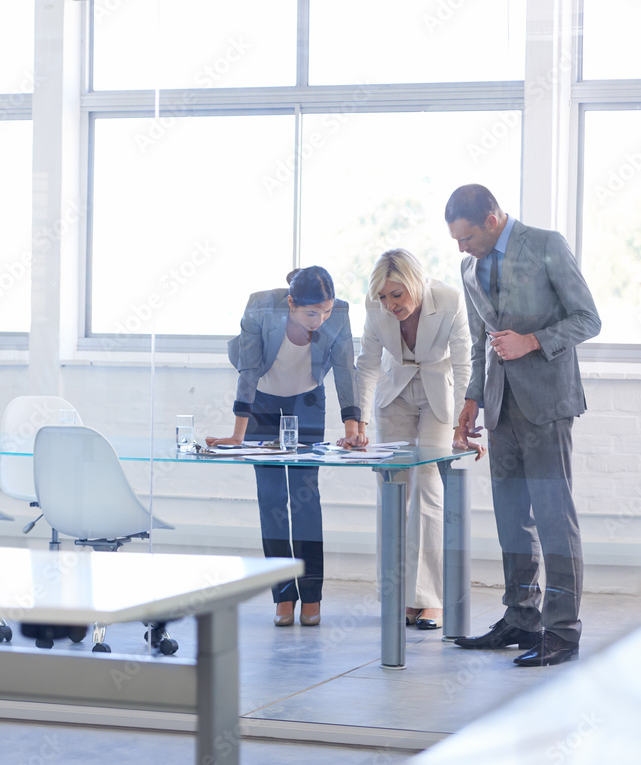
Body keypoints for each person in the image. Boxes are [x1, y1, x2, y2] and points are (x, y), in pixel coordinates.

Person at [445, 184, 601, 666]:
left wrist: (532, 341)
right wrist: (472, 398)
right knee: (512, 519)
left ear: (492, 220)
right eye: (455, 240)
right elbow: (478, 342)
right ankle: (521, 617)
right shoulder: (469, 266)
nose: (461, 248)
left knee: (555, 520)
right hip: (499, 406)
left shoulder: (547, 245)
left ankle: (562, 631)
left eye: (467, 237)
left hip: (548, 403)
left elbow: (588, 319)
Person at [206, 266, 361, 628]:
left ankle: (311, 595)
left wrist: (352, 427)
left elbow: (345, 369)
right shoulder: (261, 308)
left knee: (306, 498)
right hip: (262, 404)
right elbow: (247, 370)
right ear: (291, 303)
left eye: (326, 310)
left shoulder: (338, 314)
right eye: (311, 313)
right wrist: (237, 434)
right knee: (272, 499)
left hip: (307, 403)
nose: (320, 320)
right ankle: (283, 597)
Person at [352, 248, 485, 631]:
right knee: (393, 491)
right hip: (393, 396)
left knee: (428, 487)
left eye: (397, 295)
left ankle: (427, 599)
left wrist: (464, 420)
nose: (390, 305)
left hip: (436, 395)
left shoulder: (449, 301)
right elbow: (367, 364)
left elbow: (464, 362)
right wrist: (357, 422)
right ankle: (397, 595)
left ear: (415, 284)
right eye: (383, 297)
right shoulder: (375, 306)